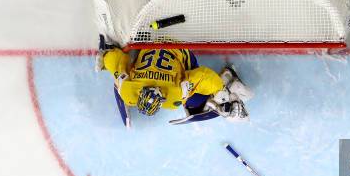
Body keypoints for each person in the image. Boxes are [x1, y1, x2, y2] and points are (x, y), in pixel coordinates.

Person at [95, 37, 253, 123]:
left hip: (177, 45)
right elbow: (118, 67)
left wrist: (222, 94)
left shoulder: (175, 94)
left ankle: (228, 78)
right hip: (150, 39)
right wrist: (107, 55)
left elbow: (202, 76)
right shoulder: (128, 90)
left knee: (194, 103)